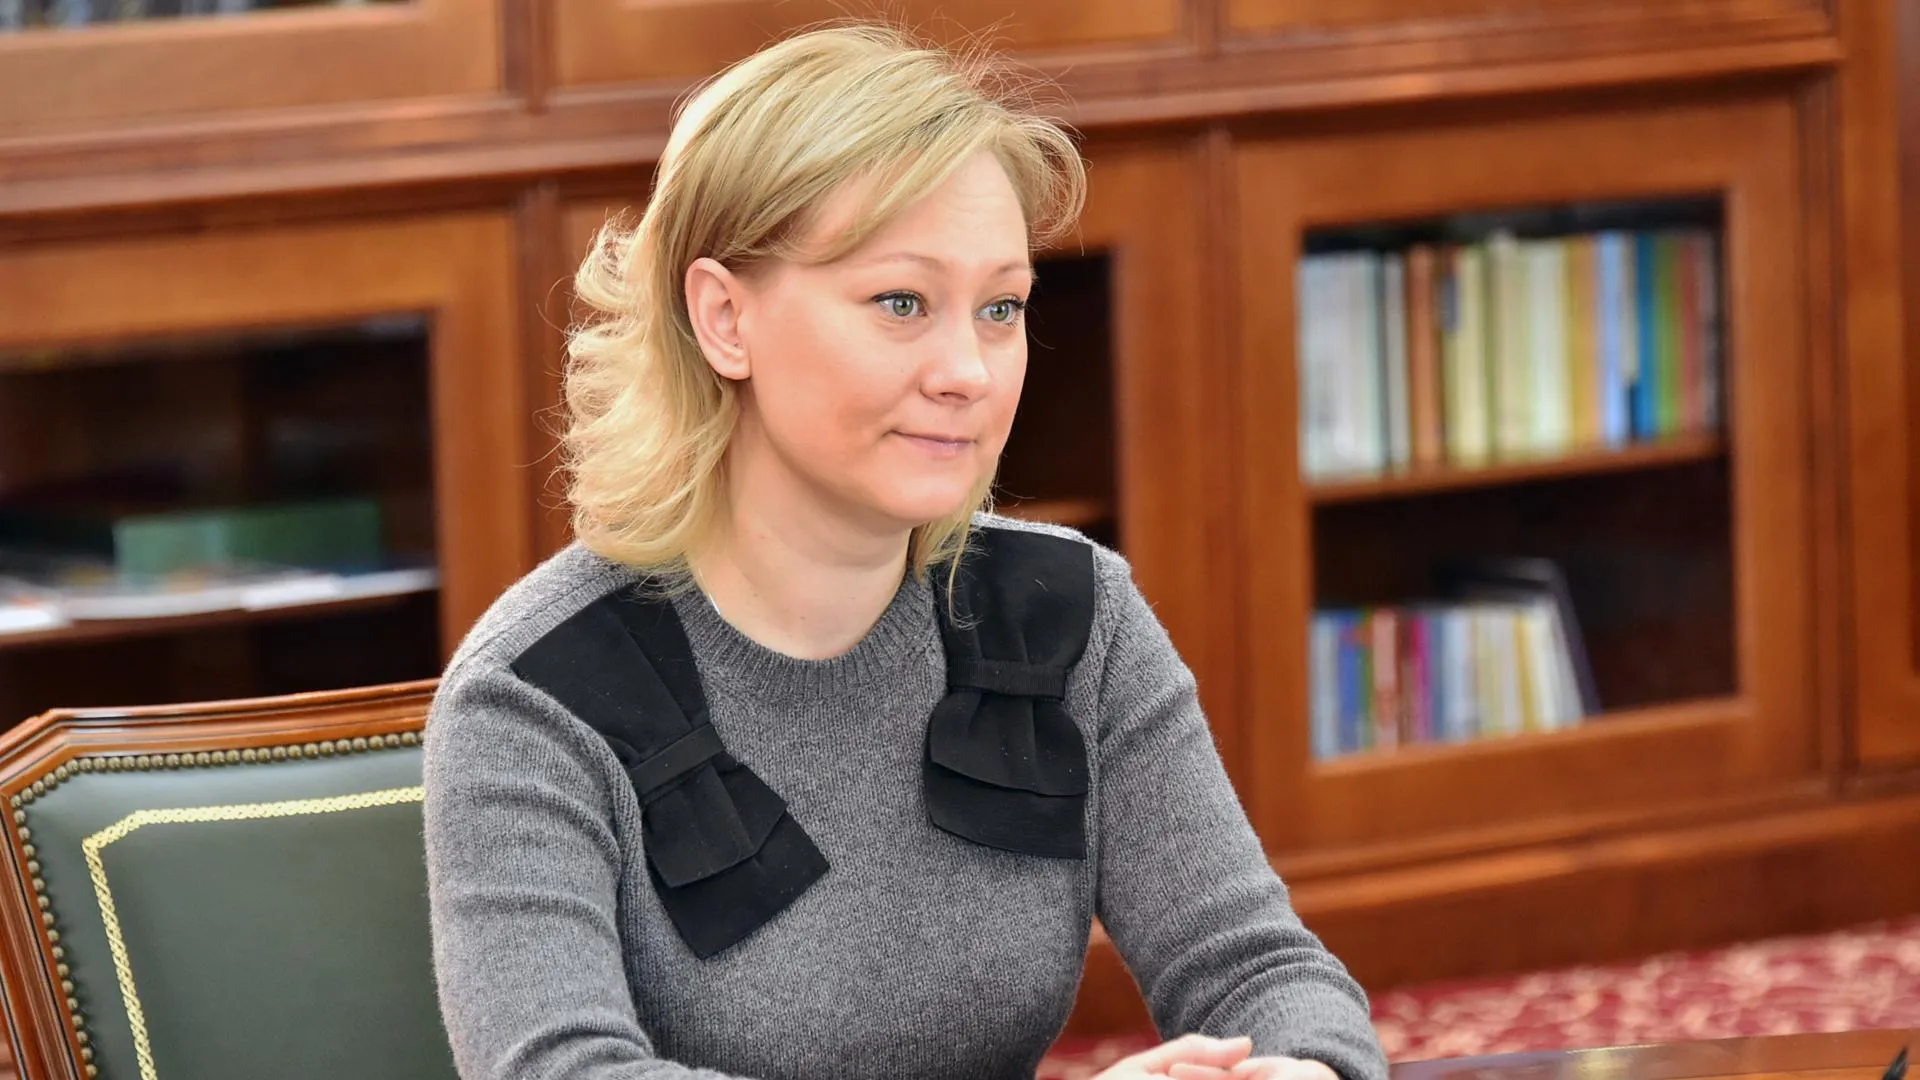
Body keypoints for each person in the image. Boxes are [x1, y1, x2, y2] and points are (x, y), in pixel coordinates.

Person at [421, 21, 1389, 1080]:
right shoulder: (534, 695)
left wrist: (1303, 1069)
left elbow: (1262, 970)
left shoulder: (1070, 615)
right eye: (901, 303)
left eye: (1001, 308)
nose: (970, 371)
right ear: (724, 318)